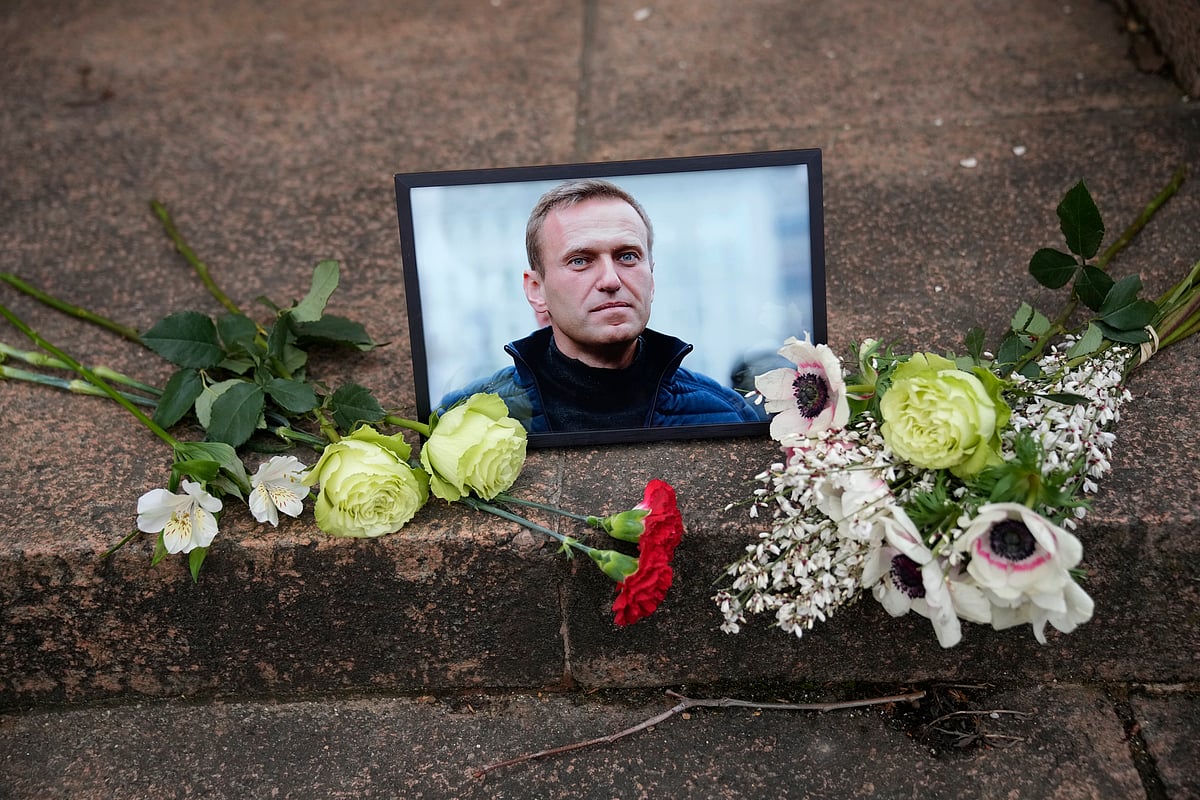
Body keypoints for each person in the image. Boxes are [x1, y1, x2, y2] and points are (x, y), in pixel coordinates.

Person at [437, 179, 762, 433]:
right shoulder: (463, 423)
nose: (610, 279)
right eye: (580, 260)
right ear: (536, 290)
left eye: (627, 256)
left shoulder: (727, 414)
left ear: (652, 276)